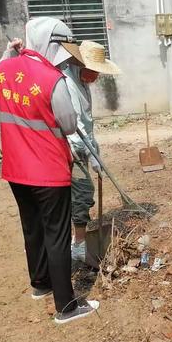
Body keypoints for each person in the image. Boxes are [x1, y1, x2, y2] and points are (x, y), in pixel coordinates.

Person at [0, 17, 99, 324]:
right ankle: (67, 306)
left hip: (16, 169)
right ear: (52, 44)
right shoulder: (51, 78)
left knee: (32, 228)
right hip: (48, 169)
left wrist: (7, 54)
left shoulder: (6, 68)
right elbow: (70, 124)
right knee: (56, 235)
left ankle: (41, 285)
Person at [61, 40, 121, 263]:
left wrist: (95, 154)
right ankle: (77, 245)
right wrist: (85, 151)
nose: (97, 77)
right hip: (70, 148)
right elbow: (72, 124)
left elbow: (87, 123)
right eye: (95, 71)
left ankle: (72, 240)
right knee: (83, 192)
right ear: (81, 64)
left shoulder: (81, 82)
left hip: (82, 146)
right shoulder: (67, 82)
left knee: (75, 194)